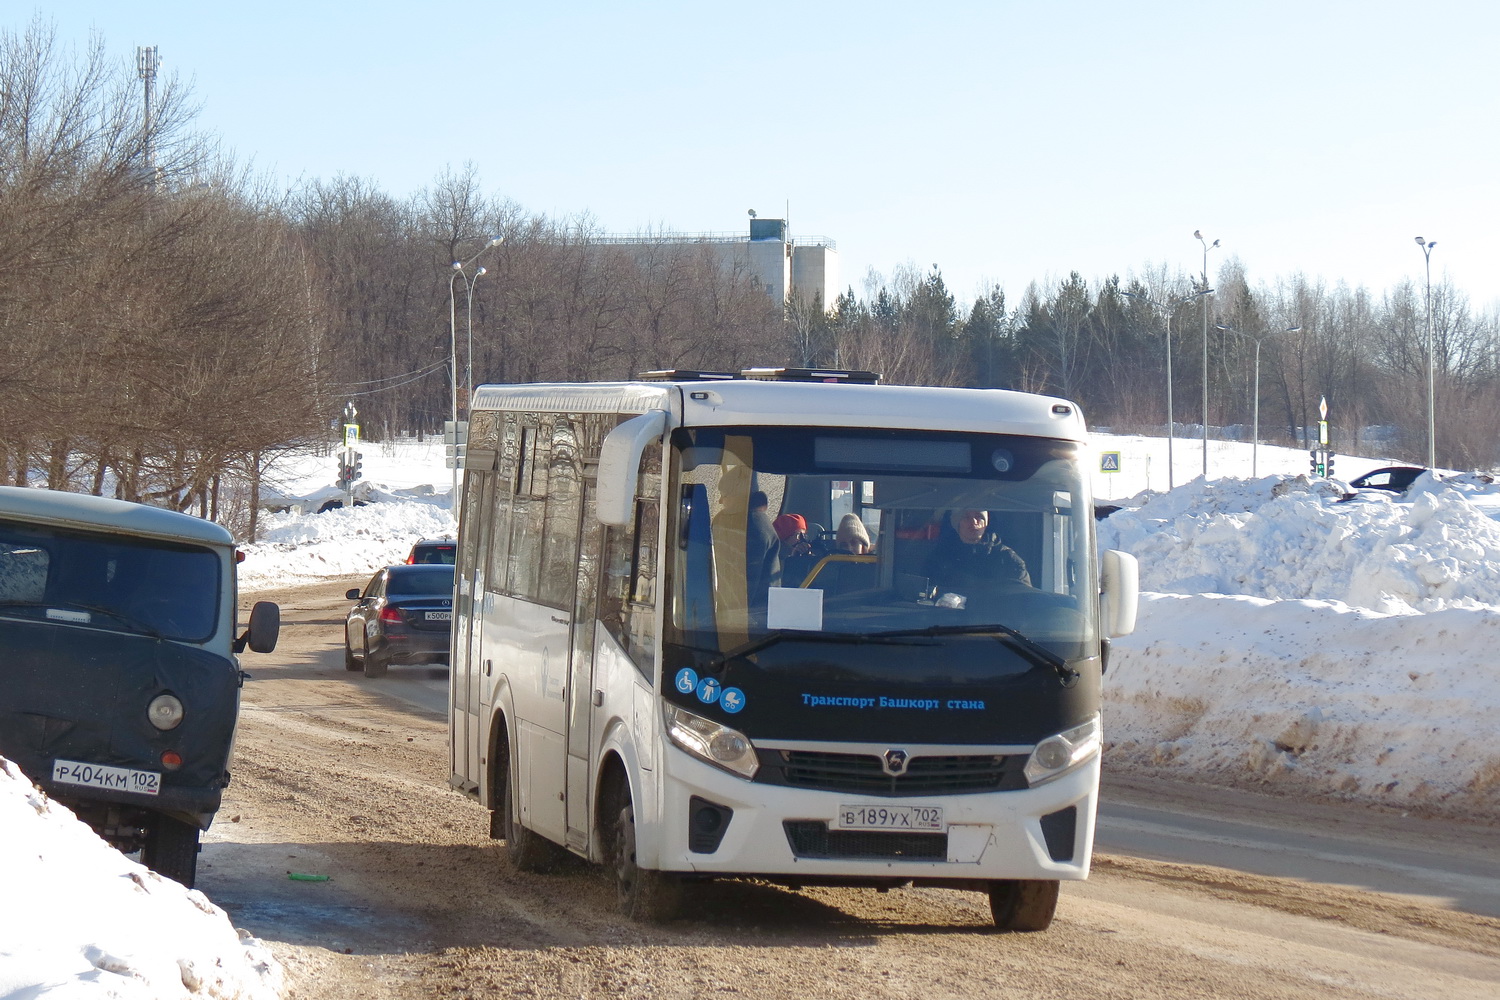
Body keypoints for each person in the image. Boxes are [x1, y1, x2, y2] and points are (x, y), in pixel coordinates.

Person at [925, 508, 1030, 596]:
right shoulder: (940, 558)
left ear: (986, 523)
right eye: (967, 517)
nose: (974, 522)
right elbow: (926, 595)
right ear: (957, 523)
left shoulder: (1008, 558)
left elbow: (1024, 599)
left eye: (980, 517)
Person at [745, 490, 781, 606]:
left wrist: (739, 611)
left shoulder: (752, 525)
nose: (721, 501)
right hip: (767, 605)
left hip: (755, 610)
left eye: (725, 495)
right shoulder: (762, 523)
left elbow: (750, 574)